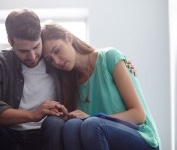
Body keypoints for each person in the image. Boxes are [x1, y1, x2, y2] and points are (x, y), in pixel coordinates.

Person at [41, 22, 161, 150]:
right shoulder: (68, 83)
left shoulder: (109, 57)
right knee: (72, 125)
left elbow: (138, 115)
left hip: (142, 137)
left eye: (57, 51)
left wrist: (94, 117)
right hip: (101, 137)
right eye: (49, 59)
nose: (56, 61)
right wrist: (68, 116)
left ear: (68, 38)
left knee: (92, 124)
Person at [0, 9, 65, 150]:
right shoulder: (3, 63)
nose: (32, 56)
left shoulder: (56, 59)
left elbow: (87, 59)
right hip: (9, 135)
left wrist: (123, 65)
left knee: (55, 124)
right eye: (23, 51)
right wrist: (32, 115)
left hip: (46, 132)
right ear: (10, 42)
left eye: (36, 47)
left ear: (40, 36)